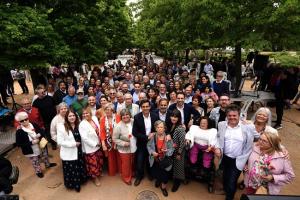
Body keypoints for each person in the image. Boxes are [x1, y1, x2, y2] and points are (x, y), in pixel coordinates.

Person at [215, 104, 256, 200]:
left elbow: (257, 137)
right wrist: (217, 147)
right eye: (230, 115)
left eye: (234, 115)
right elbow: (217, 137)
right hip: (224, 157)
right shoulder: (221, 124)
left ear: (239, 115)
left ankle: (229, 197)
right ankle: (227, 191)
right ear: (226, 116)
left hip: (238, 160)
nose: (232, 118)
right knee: (225, 178)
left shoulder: (248, 127)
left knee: (231, 182)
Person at [15, 112, 56, 178]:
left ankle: (48, 164)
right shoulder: (19, 131)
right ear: (19, 122)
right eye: (22, 120)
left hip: (41, 145)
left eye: (26, 119)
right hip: (31, 150)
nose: (25, 121)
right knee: (35, 161)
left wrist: (39, 134)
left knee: (45, 156)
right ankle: (38, 171)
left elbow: (42, 131)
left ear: (28, 118)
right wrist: (31, 143)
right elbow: (19, 144)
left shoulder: (33, 124)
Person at [57, 110, 87, 192]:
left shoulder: (79, 125)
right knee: (72, 169)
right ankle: (74, 185)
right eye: (70, 116)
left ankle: (81, 181)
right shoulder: (61, 127)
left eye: (73, 115)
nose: (72, 117)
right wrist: (73, 144)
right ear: (66, 117)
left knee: (79, 167)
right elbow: (60, 142)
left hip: (79, 151)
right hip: (69, 153)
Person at [132, 100, 160, 186]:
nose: (145, 108)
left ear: (150, 107)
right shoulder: (137, 117)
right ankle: (139, 176)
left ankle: (150, 174)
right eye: (143, 107)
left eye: (147, 106)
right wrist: (146, 137)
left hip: (152, 144)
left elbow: (158, 128)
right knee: (140, 161)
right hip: (141, 143)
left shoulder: (155, 116)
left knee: (150, 160)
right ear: (141, 108)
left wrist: (154, 133)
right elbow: (135, 132)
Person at [186, 116, 218, 182]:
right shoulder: (194, 128)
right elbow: (189, 134)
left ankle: (205, 170)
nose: (202, 124)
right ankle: (193, 167)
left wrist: (210, 146)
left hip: (207, 147)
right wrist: (188, 140)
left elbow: (214, 140)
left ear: (208, 124)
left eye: (204, 123)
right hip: (196, 145)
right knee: (193, 155)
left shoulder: (212, 131)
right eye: (201, 123)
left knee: (207, 159)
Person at [147, 120, 174, 197]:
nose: (160, 129)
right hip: (156, 160)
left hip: (165, 161)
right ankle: (158, 180)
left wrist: (167, 151)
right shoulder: (152, 136)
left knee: (165, 175)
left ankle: (163, 188)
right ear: (155, 128)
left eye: (161, 127)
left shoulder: (168, 138)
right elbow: (148, 146)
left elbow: (171, 149)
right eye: (158, 127)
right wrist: (152, 152)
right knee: (157, 172)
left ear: (164, 128)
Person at [79, 107, 103, 186]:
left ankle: (98, 173)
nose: (85, 115)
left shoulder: (94, 118)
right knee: (93, 163)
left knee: (99, 160)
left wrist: (100, 141)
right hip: (90, 147)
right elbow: (84, 138)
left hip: (98, 144)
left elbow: (99, 130)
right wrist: (95, 144)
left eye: (87, 113)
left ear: (90, 113)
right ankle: (95, 178)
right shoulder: (82, 124)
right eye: (83, 114)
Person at [112, 109, 137, 185]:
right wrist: (123, 143)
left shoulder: (134, 121)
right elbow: (114, 138)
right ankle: (126, 178)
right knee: (126, 164)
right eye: (123, 115)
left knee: (132, 162)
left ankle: (132, 173)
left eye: (127, 114)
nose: (125, 116)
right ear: (121, 117)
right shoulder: (118, 126)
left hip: (134, 146)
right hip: (124, 149)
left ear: (130, 115)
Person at [32, 85, 57, 150]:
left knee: (56, 130)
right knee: (48, 133)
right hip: (44, 121)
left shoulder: (50, 98)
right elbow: (35, 112)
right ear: (37, 94)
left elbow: (55, 106)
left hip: (54, 118)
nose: (44, 93)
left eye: (44, 91)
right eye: (42, 92)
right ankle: (53, 143)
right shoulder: (35, 102)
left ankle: (58, 140)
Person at [100, 103, 121, 176]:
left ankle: (120, 171)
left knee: (119, 156)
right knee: (111, 157)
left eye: (109, 109)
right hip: (108, 141)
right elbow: (102, 132)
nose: (108, 111)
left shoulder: (118, 117)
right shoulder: (102, 119)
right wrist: (103, 144)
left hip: (118, 140)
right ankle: (113, 171)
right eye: (106, 109)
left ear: (112, 110)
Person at [168, 109, 186, 192]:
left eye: (176, 117)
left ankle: (177, 183)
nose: (173, 118)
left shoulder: (180, 128)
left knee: (178, 167)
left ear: (179, 118)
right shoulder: (172, 125)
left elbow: (182, 143)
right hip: (173, 150)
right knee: (174, 166)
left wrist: (179, 153)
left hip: (179, 151)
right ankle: (174, 180)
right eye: (172, 116)